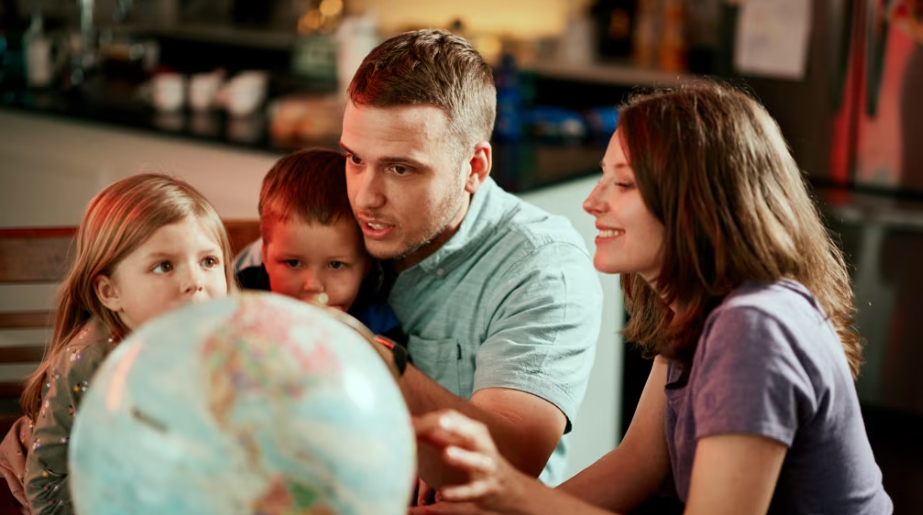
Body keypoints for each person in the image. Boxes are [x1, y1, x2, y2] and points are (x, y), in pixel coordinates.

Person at [412, 82, 894, 515]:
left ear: (699, 201)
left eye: (623, 183)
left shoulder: (753, 328)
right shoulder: (699, 306)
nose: (592, 201)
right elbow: (638, 463)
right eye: (604, 176)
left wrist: (514, 495)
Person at [233, 29, 603, 490]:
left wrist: (370, 357)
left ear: (474, 168)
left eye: (400, 168)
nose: (365, 198)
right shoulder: (328, 221)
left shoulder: (540, 268)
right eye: (355, 159)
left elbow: (510, 460)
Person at [0, 173, 235, 514]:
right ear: (111, 292)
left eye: (208, 261)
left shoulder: (227, 341)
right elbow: (46, 489)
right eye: (164, 266)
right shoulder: (90, 362)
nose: (195, 281)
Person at [234, 148, 401, 339]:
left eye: (336, 265)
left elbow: (391, 357)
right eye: (294, 263)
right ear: (265, 255)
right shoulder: (241, 295)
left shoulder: (376, 322)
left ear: (366, 265)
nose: (313, 285)